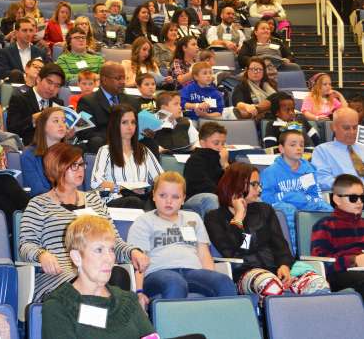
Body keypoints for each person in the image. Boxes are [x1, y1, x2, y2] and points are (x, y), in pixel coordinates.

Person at [19, 142, 149, 301]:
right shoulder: (38, 204)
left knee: (117, 275)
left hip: (97, 269)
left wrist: (132, 251)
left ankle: (104, 323)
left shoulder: (94, 200)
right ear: (58, 167)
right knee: (93, 283)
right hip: (59, 275)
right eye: (74, 165)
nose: (81, 169)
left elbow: (114, 241)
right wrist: (41, 254)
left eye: (82, 164)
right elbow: (25, 245)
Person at [205, 162, 330, 303]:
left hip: (276, 269)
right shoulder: (214, 217)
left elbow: (281, 246)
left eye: (259, 185)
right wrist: (239, 217)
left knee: (319, 286)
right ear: (237, 184)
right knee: (272, 286)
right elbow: (242, 249)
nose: (259, 190)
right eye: (254, 184)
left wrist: (284, 266)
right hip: (246, 272)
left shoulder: (265, 210)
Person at [128, 171, 237, 303]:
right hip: (157, 274)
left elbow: (204, 254)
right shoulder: (144, 221)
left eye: (175, 197)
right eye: (163, 195)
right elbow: (139, 261)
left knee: (223, 282)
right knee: (175, 282)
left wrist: (211, 277)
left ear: (183, 199)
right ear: (154, 196)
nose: (168, 201)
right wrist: (139, 292)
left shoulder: (194, 218)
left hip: (192, 272)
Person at [42, 215, 156, 339]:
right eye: (99, 250)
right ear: (76, 257)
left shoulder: (128, 301)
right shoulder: (59, 306)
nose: (109, 258)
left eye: (111, 249)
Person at [261, 130, 332, 250]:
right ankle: (293, 252)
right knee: (289, 209)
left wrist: (304, 200)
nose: (298, 148)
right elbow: (265, 198)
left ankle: (327, 249)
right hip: (283, 209)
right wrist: (290, 197)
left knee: (327, 209)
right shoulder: (270, 172)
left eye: (301, 145)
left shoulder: (308, 169)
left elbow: (316, 195)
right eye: (293, 145)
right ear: (281, 148)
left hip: (305, 205)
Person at [91, 104, 162, 208]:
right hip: (114, 199)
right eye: (124, 122)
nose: (130, 127)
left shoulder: (144, 150)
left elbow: (159, 177)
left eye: (133, 122)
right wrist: (123, 188)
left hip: (141, 199)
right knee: (134, 201)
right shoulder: (105, 151)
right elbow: (96, 183)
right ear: (115, 125)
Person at [311, 174, 364, 298]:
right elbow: (321, 262)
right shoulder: (325, 225)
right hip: (339, 275)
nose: (359, 202)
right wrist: (353, 260)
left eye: (362, 197)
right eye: (353, 198)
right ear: (337, 199)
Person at [76, 62, 139, 153]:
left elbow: (139, 126)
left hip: (129, 141)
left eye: (123, 78)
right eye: (118, 78)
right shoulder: (87, 101)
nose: (122, 82)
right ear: (104, 80)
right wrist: (117, 136)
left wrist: (147, 131)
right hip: (104, 143)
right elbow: (83, 131)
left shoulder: (132, 101)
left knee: (149, 141)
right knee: (96, 141)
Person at [7, 63, 65, 146]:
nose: (52, 88)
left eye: (57, 86)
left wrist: (66, 134)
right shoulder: (19, 99)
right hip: (30, 148)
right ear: (38, 79)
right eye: (49, 82)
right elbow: (12, 130)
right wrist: (32, 120)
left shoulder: (59, 103)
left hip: (54, 149)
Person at [183, 121, 228, 219]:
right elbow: (205, 187)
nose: (220, 147)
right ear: (202, 143)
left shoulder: (223, 159)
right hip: (196, 199)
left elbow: (235, 185)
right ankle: (216, 233)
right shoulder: (195, 161)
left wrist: (225, 165)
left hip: (218, 196)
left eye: (223, 143)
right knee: (212, 198)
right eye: (216, 143)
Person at [312, 107, 364, 190]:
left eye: (355, 127)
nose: (352, 132)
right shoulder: (322, 151)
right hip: (346, 197)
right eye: (346, 128)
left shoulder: (362, 148)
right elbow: (322, 180)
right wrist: (352, 188)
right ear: (333, 127)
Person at [21, 107, 68, 197]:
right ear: (43, 126)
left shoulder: (70, 154)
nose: (61, 125)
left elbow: (77, 187)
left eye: (64, 121)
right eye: (56, 121)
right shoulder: (29, 155)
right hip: (43, 206)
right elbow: (36, 191)